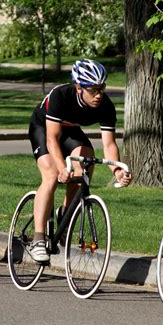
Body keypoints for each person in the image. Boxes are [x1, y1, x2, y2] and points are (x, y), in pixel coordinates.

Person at [28, 59, 132, 263]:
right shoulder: (61, 95)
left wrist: (117, 170)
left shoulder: (106, 106)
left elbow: (109, 145)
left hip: (71, 130)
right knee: (50, 176)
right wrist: (61, 168)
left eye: (101, 88)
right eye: (93, 90)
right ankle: (38, 239)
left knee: (86, 160)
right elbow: (52, 139)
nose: (99, 94)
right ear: (78, 88)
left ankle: (65, 215)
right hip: (43, 128)